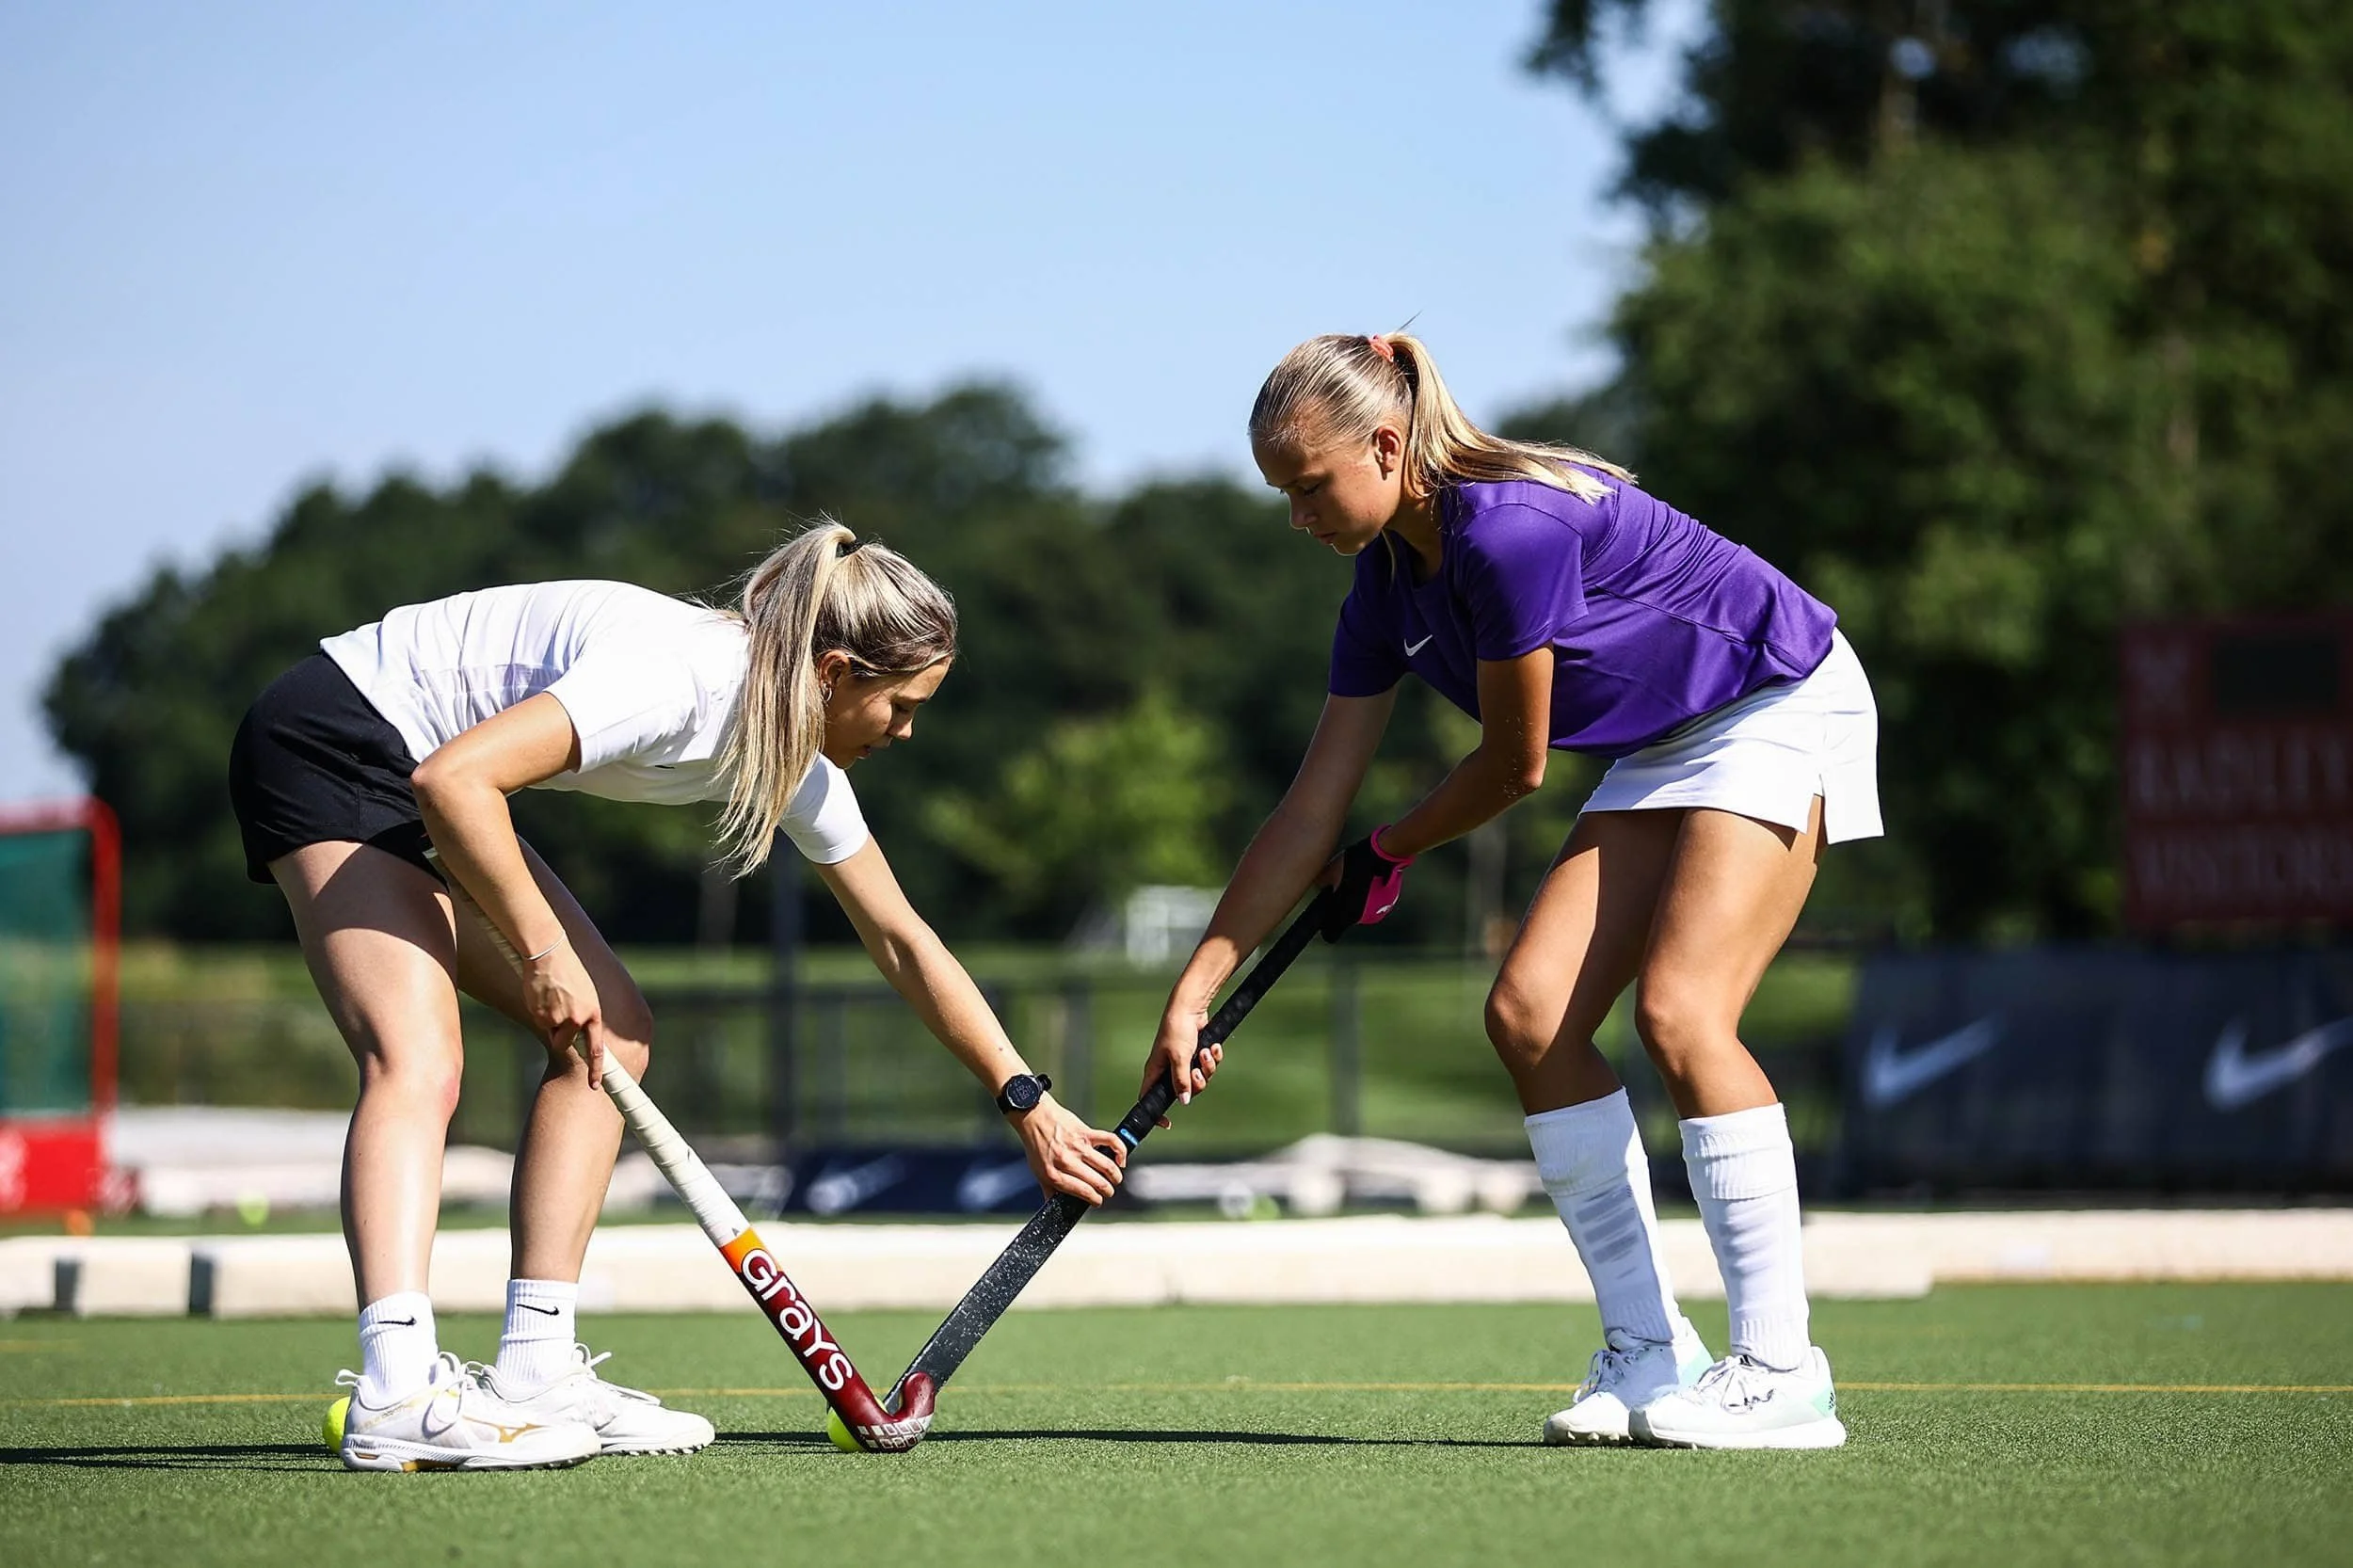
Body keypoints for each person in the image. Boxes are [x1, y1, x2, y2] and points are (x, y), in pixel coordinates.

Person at [230, 523, 1127, 1472]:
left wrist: (1025, 1100)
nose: (904, 731)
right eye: (900, 705)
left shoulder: (795, 759)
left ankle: (534, 1368)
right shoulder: (687, 679)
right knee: (418, 1057)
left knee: (613, 1036)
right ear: (832, 671)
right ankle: (397, 1388)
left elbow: (903, 939)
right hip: (336, 741)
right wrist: (543, 950)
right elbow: (455, 778)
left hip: (426, 777)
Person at [1142, 332, 1877, 1450]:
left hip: (1775, 696)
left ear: (1386, 447)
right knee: (1529, 1017)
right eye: (1280, 496)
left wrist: (1388, 848)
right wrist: (1197, 986)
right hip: (1669, 738)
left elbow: (1512, 767)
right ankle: (1646, 1350)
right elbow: (1306, 809)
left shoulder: (1505, 530)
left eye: (1307, 488)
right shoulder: (1381, 588)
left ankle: (1782, 1368)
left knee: (1681, 1015)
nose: (1297, 518)